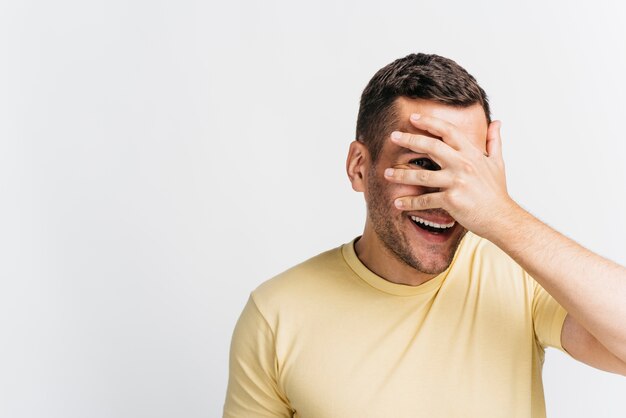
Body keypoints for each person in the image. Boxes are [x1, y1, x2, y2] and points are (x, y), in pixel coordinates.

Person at [223, 53, 626, 417]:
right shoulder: (275, 314)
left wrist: (501, 214)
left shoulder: (520, 278)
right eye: (421, 164)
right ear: (359, 167)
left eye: (465, 169)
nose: (446, 195)